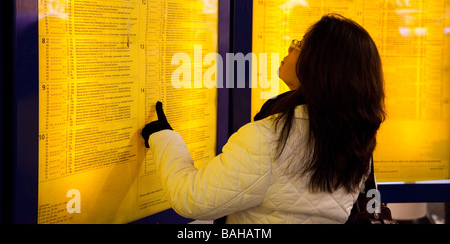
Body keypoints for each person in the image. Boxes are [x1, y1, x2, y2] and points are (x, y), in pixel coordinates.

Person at [141, 13, 386, 223]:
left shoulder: (269, 139)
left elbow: (191, 198)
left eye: (300, 44)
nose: (291, 48)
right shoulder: (356, 141)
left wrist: (164, 137)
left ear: (319, 66)